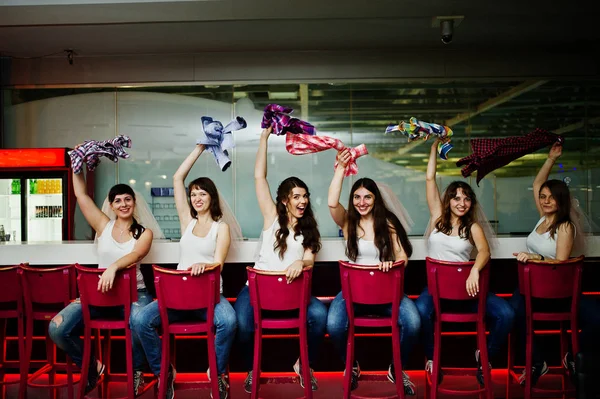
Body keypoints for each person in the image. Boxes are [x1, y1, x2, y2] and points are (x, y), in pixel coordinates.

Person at [131, 144, 240, 399]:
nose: (197, 198)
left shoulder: (220, 228)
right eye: (193, 195)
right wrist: (200, 148)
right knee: (139, 321)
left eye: (202, 194)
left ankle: (218, 372)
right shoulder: (186, 222)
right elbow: (177, 178)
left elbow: (219, 263)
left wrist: (207, 266)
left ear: (211, 197)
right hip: (177, 298)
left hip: (209, 297)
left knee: (230, 322)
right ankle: (163, 372)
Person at [234, 126, 327, 393]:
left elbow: (310, 259)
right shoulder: (271, 217)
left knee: (320, 317)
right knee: (241, 323)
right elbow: (258, 176)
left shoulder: (310, 227)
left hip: (294, 295)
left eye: (305, 196)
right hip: (258, 293)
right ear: (285, 200)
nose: (303, 201)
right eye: (297, 196)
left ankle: (303, 364)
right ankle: (253, 368)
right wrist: (264, 138)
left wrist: (302, 263)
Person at [415, 139, 515, 386]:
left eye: (467, 198)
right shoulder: (437, 218)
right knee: (418, 313)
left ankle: (485, 356)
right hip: (437, 291)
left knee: (506, 314)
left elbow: (484, 252)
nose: (462, 203)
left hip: (469, 291)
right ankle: (432, 358)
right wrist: (432, 150)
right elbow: (429, 180)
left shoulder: (473, 226)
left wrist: (473, 271)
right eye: (457, 198)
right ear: (448, 200)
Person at [49, 164, 155, 394]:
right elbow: (80, 194)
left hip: (135, 294)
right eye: (118, 200)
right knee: (57, 329)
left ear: (134, 203)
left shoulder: (144, 232)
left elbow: (137, 254)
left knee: (139, 323)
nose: (123, 204)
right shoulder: (103, 226)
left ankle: (138, 372)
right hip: (101, 296)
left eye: (128, 199)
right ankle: (92, 367)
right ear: (111, 204)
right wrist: (76, 163)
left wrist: (113, 267)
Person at [326, 149, 421, 395]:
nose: (362, 202)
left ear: (375, 199)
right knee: (334, 325)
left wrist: (394, 264)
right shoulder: (347, 222)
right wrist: (340, 169)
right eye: (357, 197)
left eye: (367, 197)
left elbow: (403, 257)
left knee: (413, 322)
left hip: (387, 294)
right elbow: (331, 203)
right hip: (353, 296)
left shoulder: (387, 223)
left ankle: (396, 367)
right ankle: (352, 364)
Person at [510, 142, 600, 386]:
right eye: (543, 197)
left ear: (561, 200)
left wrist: (536, 258)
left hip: (559, 293)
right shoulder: (543, 216)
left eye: (551, 197)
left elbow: (561, 262)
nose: (546, 200)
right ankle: (538, 362)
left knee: (597, 319)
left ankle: (575, 357)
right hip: (531, 289)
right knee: (511, 314)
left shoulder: (565, 226)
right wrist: (550, 159)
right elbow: (539, 183)